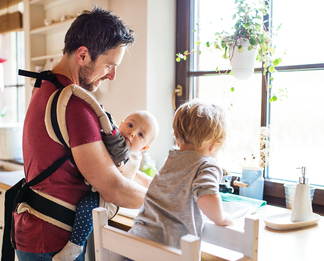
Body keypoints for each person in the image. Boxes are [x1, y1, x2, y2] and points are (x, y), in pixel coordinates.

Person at [15, 6, 148, 261]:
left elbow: (98, 164)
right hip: (52, 242)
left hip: (35, 231)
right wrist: (167, 201)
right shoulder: (74, 106)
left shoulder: (45, 84)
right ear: (83, 55)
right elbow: (113, 189)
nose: (112, 75)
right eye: (109, 65)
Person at [52, 110, 159, 261]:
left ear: (144, 148)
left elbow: (118, 168)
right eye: (130, 125)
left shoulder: (131, 157)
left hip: (108, 202)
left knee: (86, 207)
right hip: (96, 189)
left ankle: (75, 246)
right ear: (120, 124)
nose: (132, 132)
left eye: (141, 135)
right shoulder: (117, 143)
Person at [129, 99, 234, 250]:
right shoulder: (208, 164)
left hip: (136, 241)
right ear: (215, 144)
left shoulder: (171, 160)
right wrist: (222, 218)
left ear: (177, 140)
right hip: (168, 250)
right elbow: (207, 197)